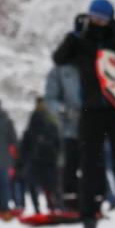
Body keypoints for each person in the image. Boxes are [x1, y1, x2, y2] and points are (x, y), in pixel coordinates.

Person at [52, 0, 115, 228]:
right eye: (94, 18)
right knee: (89, 165)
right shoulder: (82, 39)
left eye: (102, 19)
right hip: (90, 110)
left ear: (110, 18)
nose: (97, 23)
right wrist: (73, 35)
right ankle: (88, 219)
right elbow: (59, 58)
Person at [43, 55, 84, 211]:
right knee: (69, 166)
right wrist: (64, 110)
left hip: (90, 127)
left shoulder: (89, 62)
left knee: (90, 165)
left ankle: (92, 198)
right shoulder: (59, 71)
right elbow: (50, 99)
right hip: (68, 130)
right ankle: (70, 201)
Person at [18, 97, 62, 214]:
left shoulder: (34, 120)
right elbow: (57, 140)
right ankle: (53, 206)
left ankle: (41, 208)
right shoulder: (50, 121)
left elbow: (26, 141)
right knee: (51, 185)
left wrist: (24, 158)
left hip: (38, 158)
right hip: (46, 158)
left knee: (38, 185)